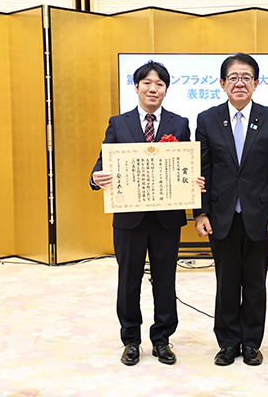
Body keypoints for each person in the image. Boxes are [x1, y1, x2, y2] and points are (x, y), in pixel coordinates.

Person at [90, 61, 190, 366]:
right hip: (128, 218)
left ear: (166, 89)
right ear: (136, 87)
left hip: (166, 218)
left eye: (159, 84)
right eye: (147, 83)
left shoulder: (179, 123)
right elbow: (103, 161)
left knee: (165, 279)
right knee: (128, 280)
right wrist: (95, 177)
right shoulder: (118, 123)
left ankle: (162, 339)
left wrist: (193, 180)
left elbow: (187, 163)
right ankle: (131, 339)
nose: (152, 89)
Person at [193, 53, 268, 366]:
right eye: (233, 77)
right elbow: (201, 169)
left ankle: (251, 343)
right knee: (226, 282)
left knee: (255, 283)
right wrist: (201, 213)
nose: (239, 83)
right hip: (221, 215)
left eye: (246, 77)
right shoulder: (207, 119)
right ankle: (227, 343)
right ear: (222, 83)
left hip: (259, 216)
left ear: (256, 83)